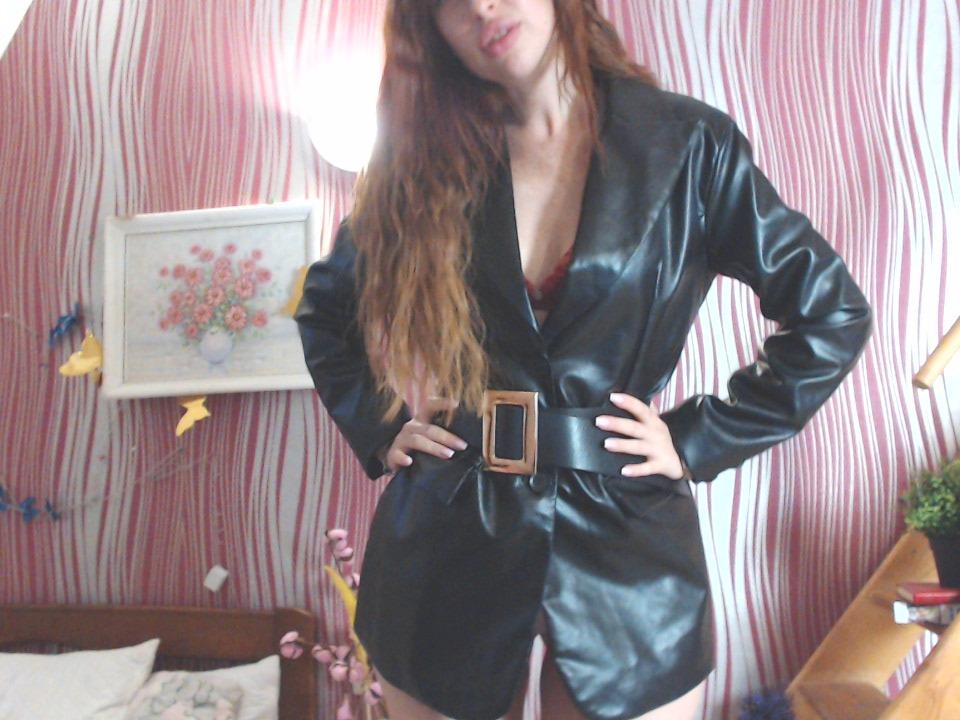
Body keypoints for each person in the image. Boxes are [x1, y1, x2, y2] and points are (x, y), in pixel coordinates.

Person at [295, 1, 873, 719]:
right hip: (452, 526)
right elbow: (327, 313)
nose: (479, 7)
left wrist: (699, 438)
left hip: (625, 531)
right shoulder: (421, 161)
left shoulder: (688, 146)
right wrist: (380, 427)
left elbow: (831, 313)